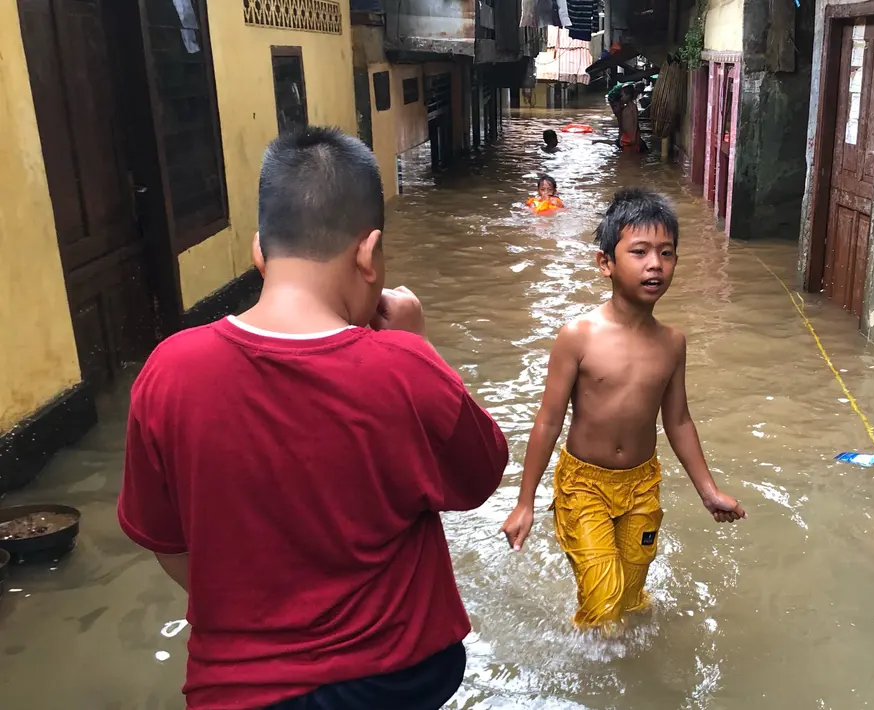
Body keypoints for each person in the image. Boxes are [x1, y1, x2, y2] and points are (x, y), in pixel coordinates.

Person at [117, 126, 509, 710]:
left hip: (237, 690)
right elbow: (479, 477)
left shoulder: (168, 372)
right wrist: (419, 346)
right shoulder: (403, 368)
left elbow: (167, 542)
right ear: (369, 254)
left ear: (258, 249)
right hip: (395, 680)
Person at [499, 188, 746, 629]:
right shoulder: (578, 336)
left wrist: (708, 490)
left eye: (667, 253)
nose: (656, 264)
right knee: (603, 600)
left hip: (642, 486)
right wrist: (525, 503)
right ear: (605, 264)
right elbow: (548, 420)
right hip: (583, 486)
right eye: (640, 252)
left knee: (631, 597)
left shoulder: (672, 343)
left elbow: (679, 421)